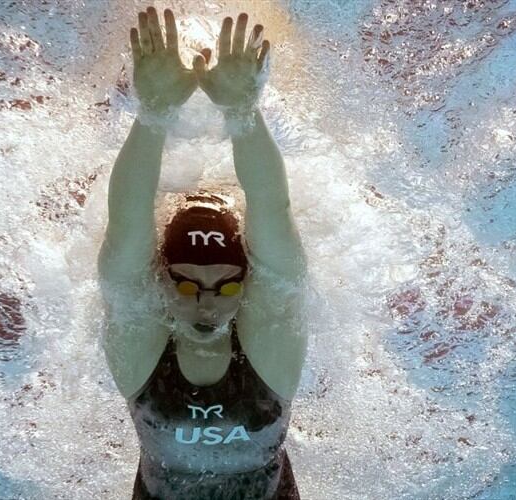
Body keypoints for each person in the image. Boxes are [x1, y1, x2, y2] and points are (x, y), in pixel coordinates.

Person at [98, 6, 306, 499]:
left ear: (246, 284)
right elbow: (126, 238)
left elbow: (274, 213)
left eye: (227, 283)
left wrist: (243, 114)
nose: (205, 302)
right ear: (162, 283)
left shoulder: (270, 350)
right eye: (186, 283)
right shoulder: (143, 351)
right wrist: (152, 116)